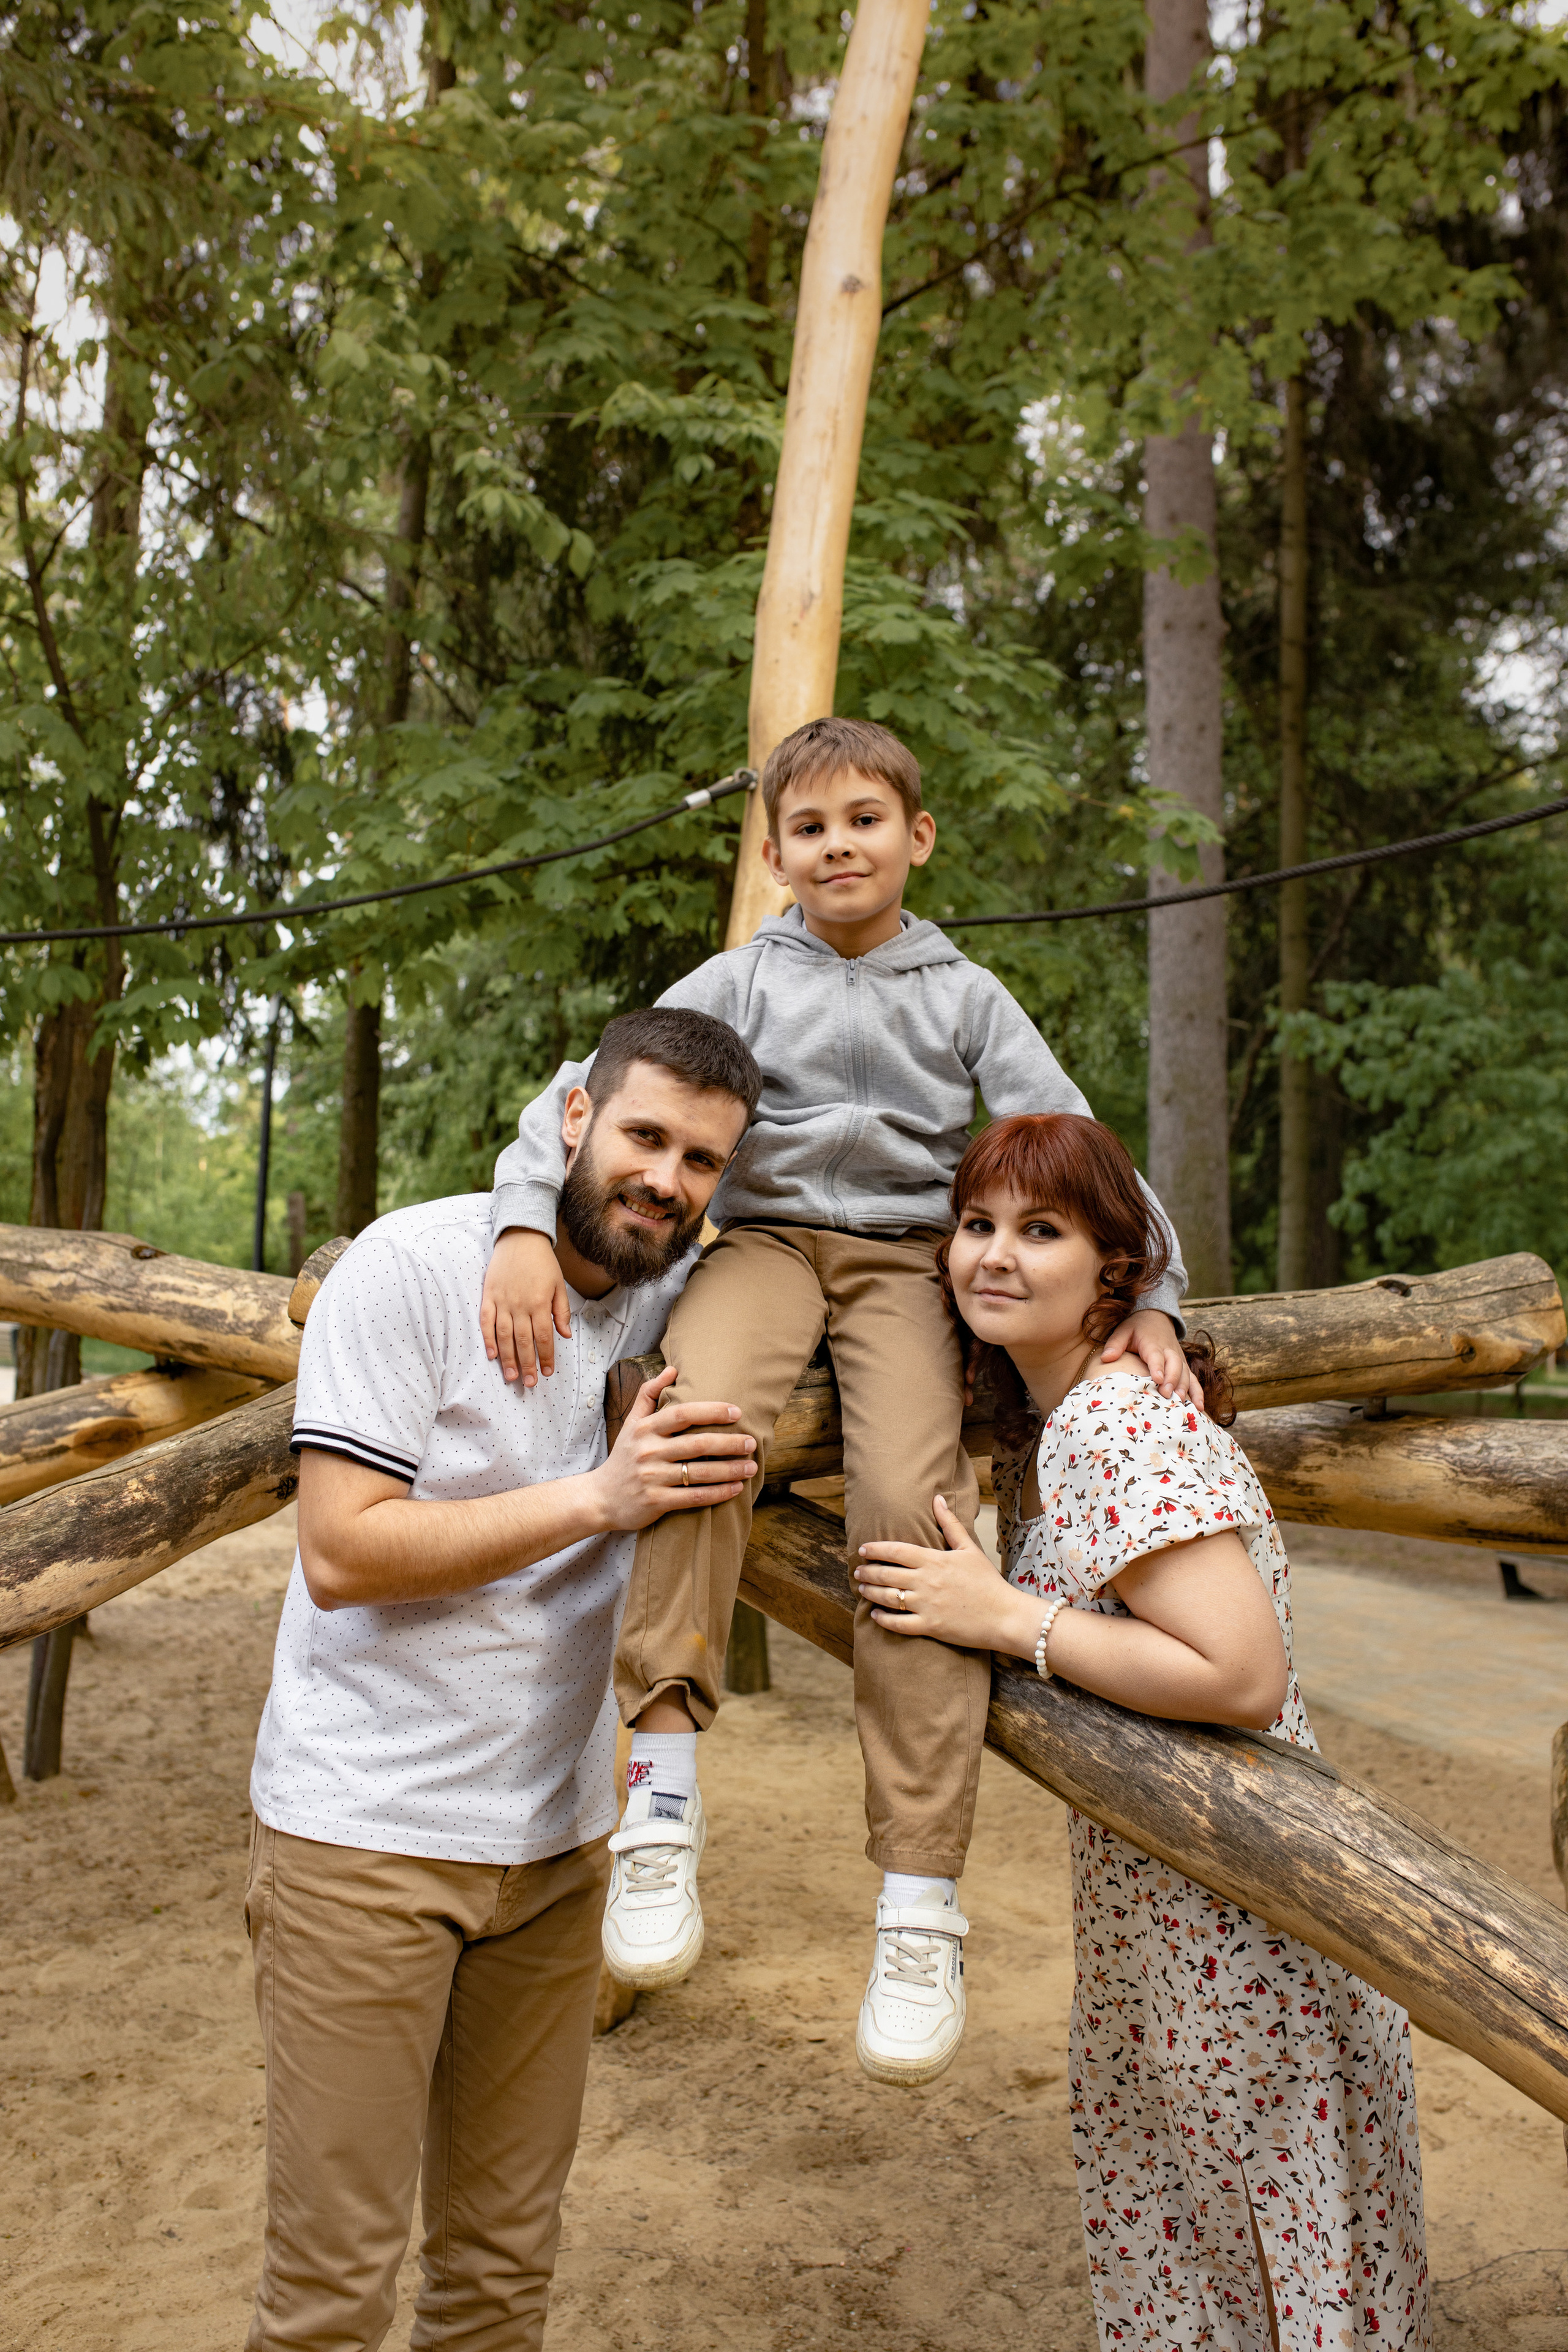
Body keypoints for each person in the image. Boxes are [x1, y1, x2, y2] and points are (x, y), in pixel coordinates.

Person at [478, 714, 1196, 2086]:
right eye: (806, 829)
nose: (837, 846)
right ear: (773, 855)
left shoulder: (965, 994)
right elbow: (583, 1092)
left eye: (864, 820)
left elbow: (1080, 1147)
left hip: (904, 1274)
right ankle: (659, 1803)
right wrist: (525, 1224)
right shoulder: (743, 979)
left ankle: (919, 1900)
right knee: (686, 1429)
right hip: (760, 1248)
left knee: (918, 1520)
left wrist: (1151, 1295)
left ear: (914, 838)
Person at [853, 1111, 1428, 2351]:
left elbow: (1235, 1670)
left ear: (1116, 1268)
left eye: (1041, 1230)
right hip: (1172, 1921)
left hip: (1234, 1935)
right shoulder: (1066, 1417)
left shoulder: (1111, 1423)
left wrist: (1005, 1617)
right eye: (975, 1225)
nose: (993, 1256)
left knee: (1257, 2278)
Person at [243, 1007, 763, 2352]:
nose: (666, 1178)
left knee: (497, 2279)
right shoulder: (416, 1267)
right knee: (329, 2298)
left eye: (702, 1161)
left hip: (554, 1850)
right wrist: (597, 1499)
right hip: (366, 1840)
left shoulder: (675, 1297)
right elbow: (344, 1550)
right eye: (645, 1135)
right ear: (573, 1120)